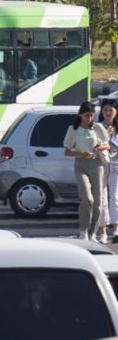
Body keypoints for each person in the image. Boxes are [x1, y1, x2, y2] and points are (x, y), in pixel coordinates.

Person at [64, 101, 111, 241]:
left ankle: (92, 233)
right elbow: (66, 152)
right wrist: (81, 153)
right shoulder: (73, 129)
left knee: (98, 201)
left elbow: (107, 144)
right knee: (87, 198)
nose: (89, 119)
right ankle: (83, 230)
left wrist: (99, 147)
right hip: (80, 165)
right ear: (80, 115)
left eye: (91, 116)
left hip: (97, 164)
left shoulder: (97, 128)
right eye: (86, 116)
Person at [100, 99, 118, 241]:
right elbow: (95, 145)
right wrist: (106, 134)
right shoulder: (97, 127)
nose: (107, 113)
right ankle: (103, 230)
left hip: (116, 164)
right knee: (102, 196)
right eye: (105, 110)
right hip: (100, 164)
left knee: (115, 195)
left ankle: (115, 228)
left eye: (110, 110)